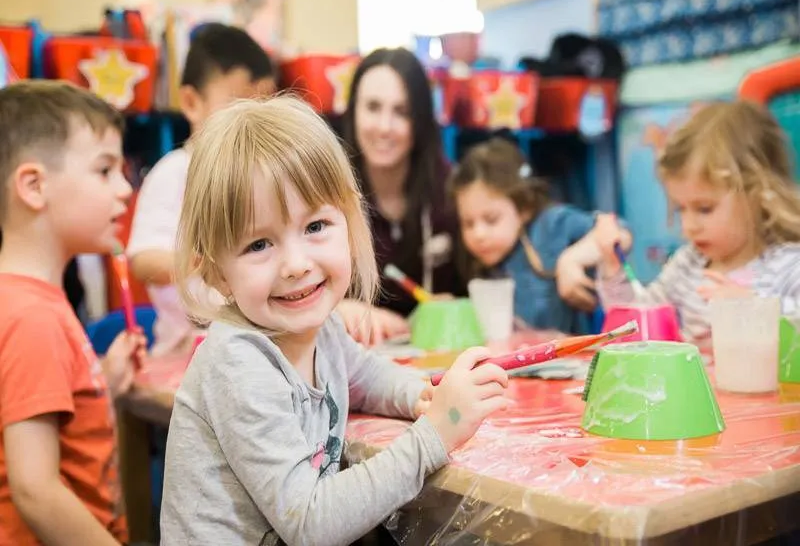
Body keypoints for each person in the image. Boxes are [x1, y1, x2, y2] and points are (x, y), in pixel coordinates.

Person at [160, 97, 509, 545]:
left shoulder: (318, 330)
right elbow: (310, 523)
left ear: (349, 222)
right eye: (258, 245)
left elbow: (362, 374)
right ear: (215, 274)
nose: (295, 264)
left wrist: (422, 396)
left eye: (315, 227)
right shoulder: (238, 362)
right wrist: (435, 434)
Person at [0, 81, 145, 545]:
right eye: (104, 171)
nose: (125, 189)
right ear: (34, 186)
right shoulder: (31, 318)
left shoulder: (28, 302)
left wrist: (102, 380)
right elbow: (36, 490)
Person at [127, 22, 275, 357]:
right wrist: (205, 260)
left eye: (266, 110)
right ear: (192, 103)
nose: (253, 124)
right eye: (239, 107)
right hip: (185, 353)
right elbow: (144, 262)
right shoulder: (174, 172)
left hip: (255, 348)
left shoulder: (265, 178)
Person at [597, 100, 800, 341]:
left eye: (704, 209)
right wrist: (613, 268)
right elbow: (635, 327)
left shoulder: (788, 267)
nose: (689, 226)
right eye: (681, 209)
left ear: (757, 196)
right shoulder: (688, 265)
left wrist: (754, 307)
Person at [339, 47, 464, 345]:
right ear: (353, 110)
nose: (384, 127)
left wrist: (460, 306)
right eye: (372, 107)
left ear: (420, 120)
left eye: (401, 112)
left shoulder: (453, 191)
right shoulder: (323, 192)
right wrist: (335, 310)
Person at [449, 137, 630, 334]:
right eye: (467, 223)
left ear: (523, 208)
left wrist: (571, 260)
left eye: (491, 219)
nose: (479, 234)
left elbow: (618, 232)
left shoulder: (552, 226)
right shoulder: (480, 263)